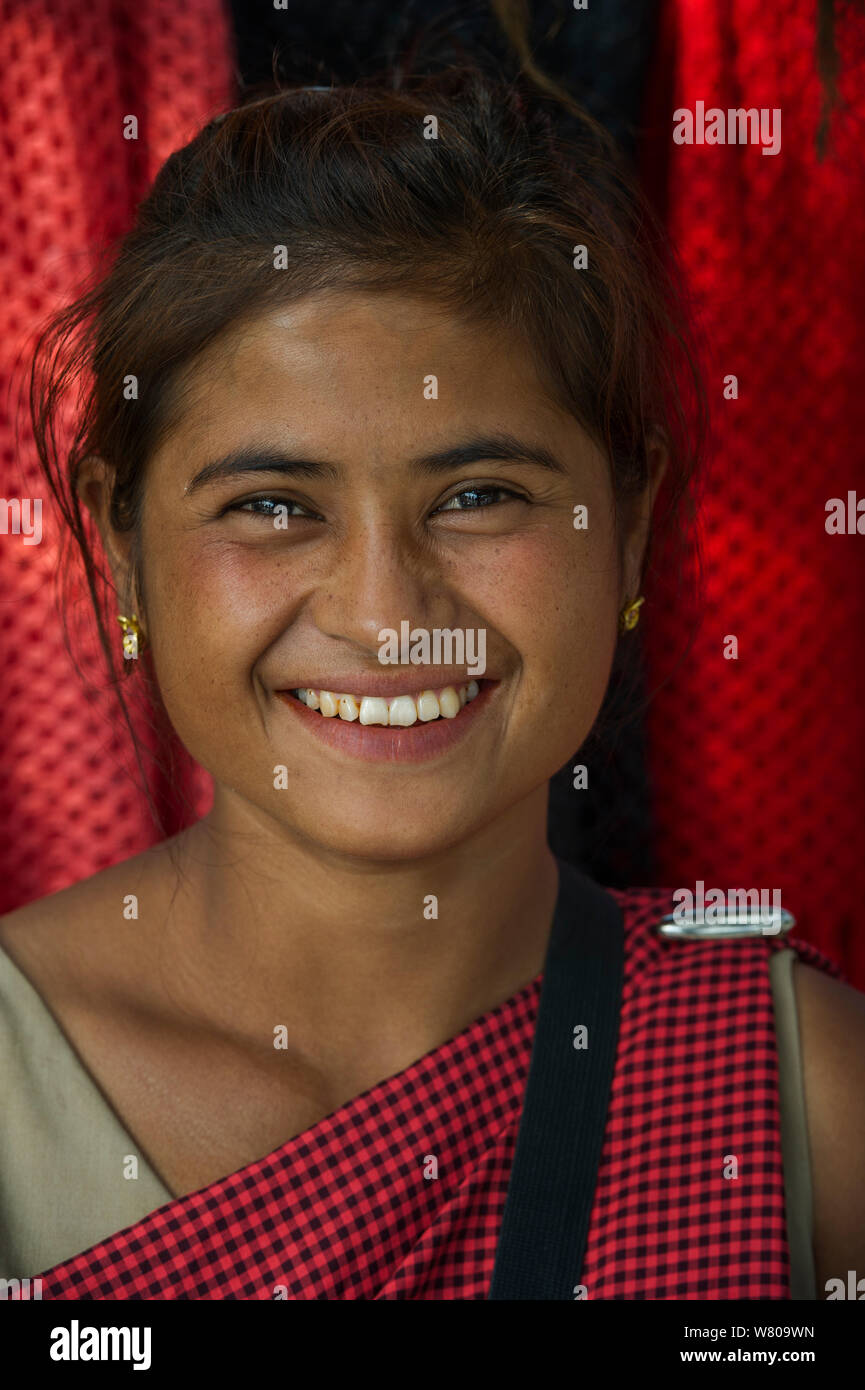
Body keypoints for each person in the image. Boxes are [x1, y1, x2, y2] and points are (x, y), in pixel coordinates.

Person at [0, 66, 863, 1301]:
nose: (386, 615)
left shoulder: (797, 1101)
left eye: (476, 497)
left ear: (628, 528)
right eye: (271, 507)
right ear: (123, 546)